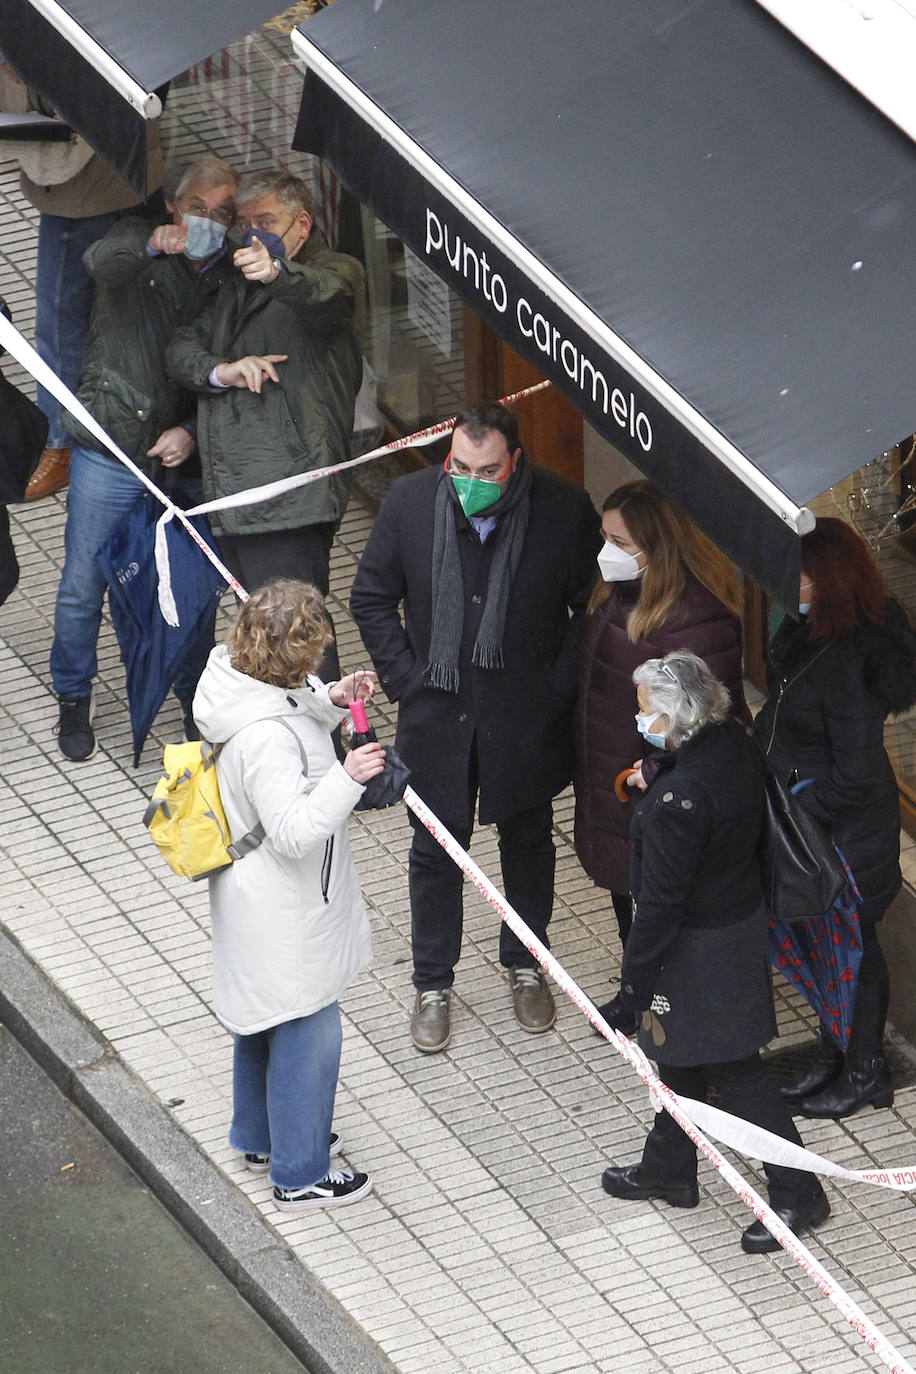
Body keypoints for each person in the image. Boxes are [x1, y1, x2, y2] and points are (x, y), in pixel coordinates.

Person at [350, 401, 601, 1052]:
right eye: (459, 467)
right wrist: (406, 679)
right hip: (437, 721)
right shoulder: (409, 503)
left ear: (514, 462)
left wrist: (555, 687)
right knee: (434, 855)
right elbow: (371, 596)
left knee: (528, 843)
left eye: (486, 471)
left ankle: (525, 963)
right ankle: (433, 983)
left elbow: (587, 608)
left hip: (524, 721)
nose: (470, 481)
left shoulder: (564, 509)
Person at [601, 652, 830, 1254]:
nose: (640, 717)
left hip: (699, 948)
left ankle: (798, 1190)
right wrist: (665, 769)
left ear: (678, 715)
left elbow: (658, 905)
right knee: (677, 1059)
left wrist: (632, 988)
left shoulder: (683, 802)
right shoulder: (731, 742)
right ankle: (670, 1165)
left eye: (647, 709)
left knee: (734, 1070)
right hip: (735, 924)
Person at [192, 579, 385, 1209]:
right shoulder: (267, 738)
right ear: (291, 656)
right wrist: (346, 777)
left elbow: (290, 705)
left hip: (252, 896)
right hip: (286, 904)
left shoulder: (234, 680)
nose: (318, 665)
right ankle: (301, 1172)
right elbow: (297, 833)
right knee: (308, 1027)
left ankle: (257, 1135)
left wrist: (331, 699)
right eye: (313, 658)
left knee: (259, 1018)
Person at [48, 153, 239, 762]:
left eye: (220, 214)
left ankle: (193, 700)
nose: (205, 222)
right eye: (196, 208)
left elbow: (212, 372)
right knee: (84, 582)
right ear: (172, 206)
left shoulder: (230, 281)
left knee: (190, 586)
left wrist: (188, 428)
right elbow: (97, 261)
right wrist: (156, 245)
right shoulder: (134, 242)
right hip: (109, 443)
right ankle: (74, 696)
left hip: (179, 457)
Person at [166, 169, 367, 685]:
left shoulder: (333, 270)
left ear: (302, 224)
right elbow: (182, 347)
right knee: (274, 632)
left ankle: (343, 746)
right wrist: (223, 371)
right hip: (239, 492)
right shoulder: (236, 283)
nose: (254, 233)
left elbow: (326, 297)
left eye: (267, 221)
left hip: (288, 493)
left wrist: (278, 274)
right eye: (247, 222)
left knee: (299, 632)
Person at [754, 517, 916, 1118]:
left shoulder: (850, 662)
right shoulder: (810, 633)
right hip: (818, 833)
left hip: (843, 843)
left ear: (827, 580)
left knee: (855, 951)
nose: (783, 584)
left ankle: (866, 1072)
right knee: (827, 949)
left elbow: (853, 776)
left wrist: (791, 812)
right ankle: (838, 1052)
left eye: (796, 576)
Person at [574, 481, 747, 1033]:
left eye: (619, 541)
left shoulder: (696, 621)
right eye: (605, 537)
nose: (607, 552)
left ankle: (661, 1011)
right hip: (614, 780)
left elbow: (713, 726)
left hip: (652, 788)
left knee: (659, 907)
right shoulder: (618, 595)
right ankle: (638, 997)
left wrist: (655, 770)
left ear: (657, 548)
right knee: (630, 894)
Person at [0, 59, 167, 500]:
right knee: (117, 310)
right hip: (126, 171)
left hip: (85, 190)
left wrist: (30, 73)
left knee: (59, 325)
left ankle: (60, 442)